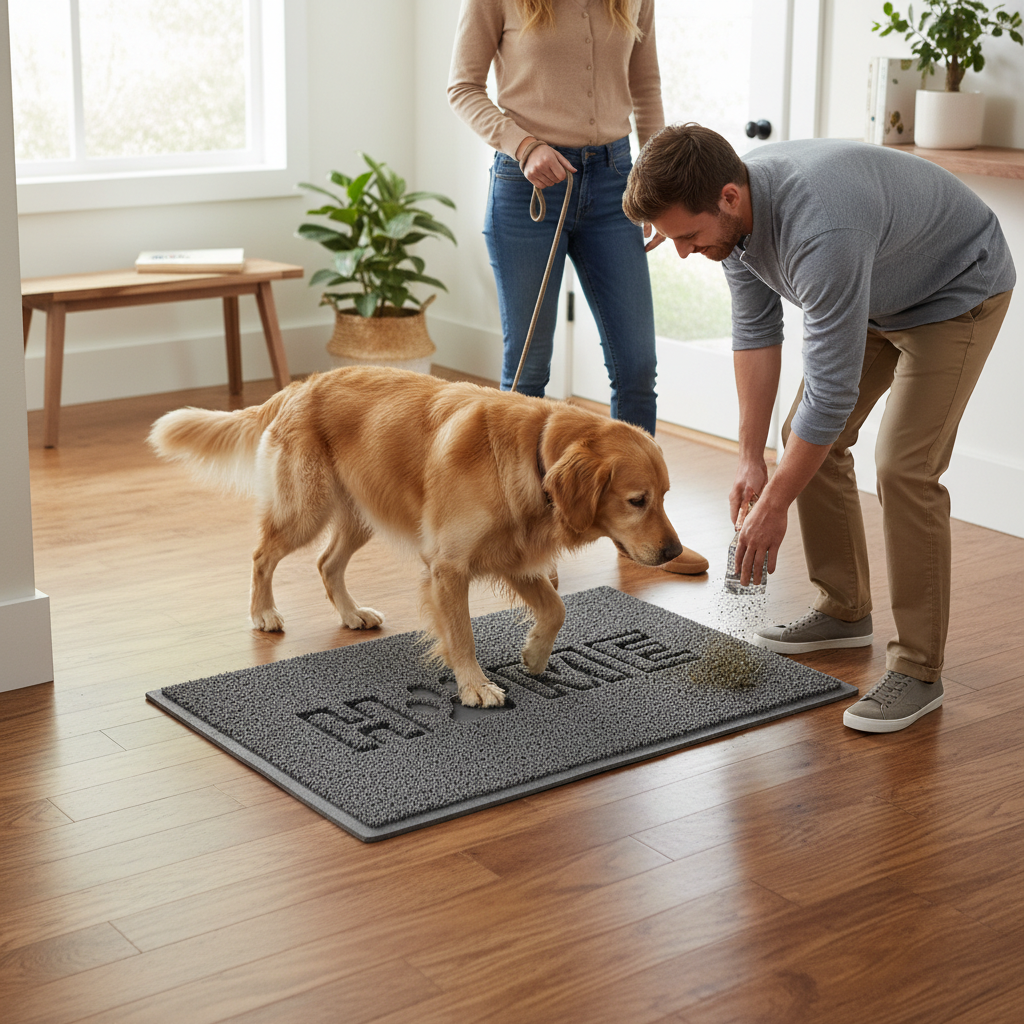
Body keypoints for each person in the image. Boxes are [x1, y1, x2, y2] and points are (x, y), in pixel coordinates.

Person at [622, 123, 1015, 732]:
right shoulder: (732, 222)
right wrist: (751, 459)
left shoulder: (820, 228)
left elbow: (830, 395)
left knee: (904, 467)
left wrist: (777, 502)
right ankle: (844, 607)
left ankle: (918, 669)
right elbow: (755, 334)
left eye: (688, 237)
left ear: (728, 198)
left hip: (954, 291)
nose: (683, 252)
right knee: (801, 438)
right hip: (877, 292)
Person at [447, 0, 708, 575]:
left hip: (618, 180)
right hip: (528, 185)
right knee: (528, 373)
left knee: (637, 364)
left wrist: (656, 185)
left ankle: (644, 532)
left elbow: (646, 87)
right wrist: (523, 145)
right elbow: (462, 87)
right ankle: (525, 536)